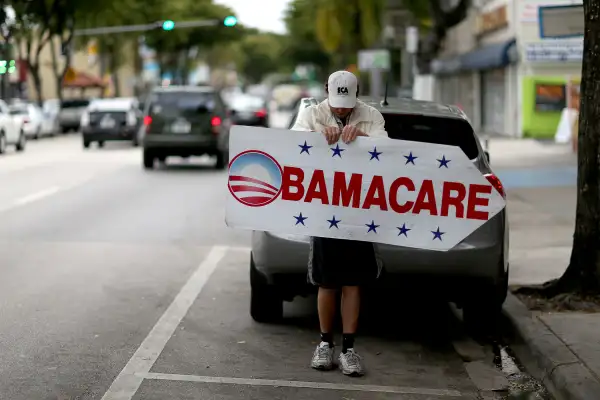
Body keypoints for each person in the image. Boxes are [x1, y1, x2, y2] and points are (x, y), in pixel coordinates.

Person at [290, 70, 388, 376]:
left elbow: (388, 148)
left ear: (357, 94)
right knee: (327, 280)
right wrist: (318, 138)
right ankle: (324, 344)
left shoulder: (371, 116)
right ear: (326, 93)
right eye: (337, 104)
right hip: (324, 209)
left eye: (347, 103)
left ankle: (349, 349)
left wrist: (363, 139)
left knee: (353, 281)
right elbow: (291, 143)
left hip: (359, 210)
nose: (342, 110)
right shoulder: (312, 114)